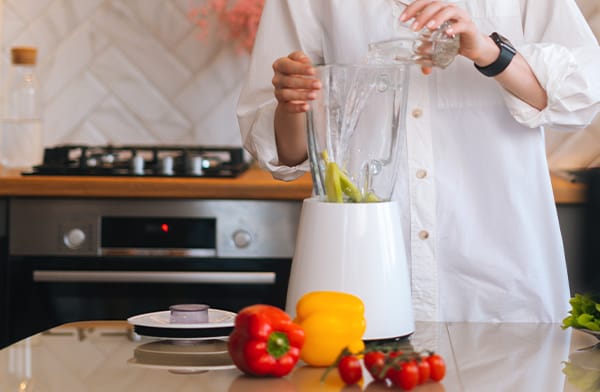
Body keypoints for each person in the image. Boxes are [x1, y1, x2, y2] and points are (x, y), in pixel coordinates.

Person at [237, 0, 600, 322]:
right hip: (361, 277)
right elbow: (285, 156)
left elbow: (581, 94)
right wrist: (292, 103)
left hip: (501, 286)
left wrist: (490, 52)